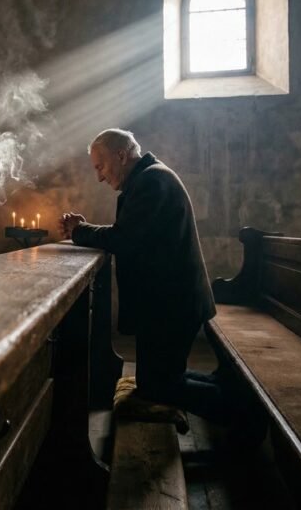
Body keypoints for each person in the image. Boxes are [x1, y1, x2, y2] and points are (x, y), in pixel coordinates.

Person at [59, 128, 224, 422]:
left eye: (101, 166)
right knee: (160, 380)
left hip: (173, 306)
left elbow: (125, 239)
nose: (99, 176)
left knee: (159, 387)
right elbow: (134, 234)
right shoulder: (148, 178)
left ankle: (244, 410)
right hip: (169, 303)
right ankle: (234, 392)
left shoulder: (152, 181)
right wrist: (84, 229)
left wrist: (80, 231)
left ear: (121, 156)